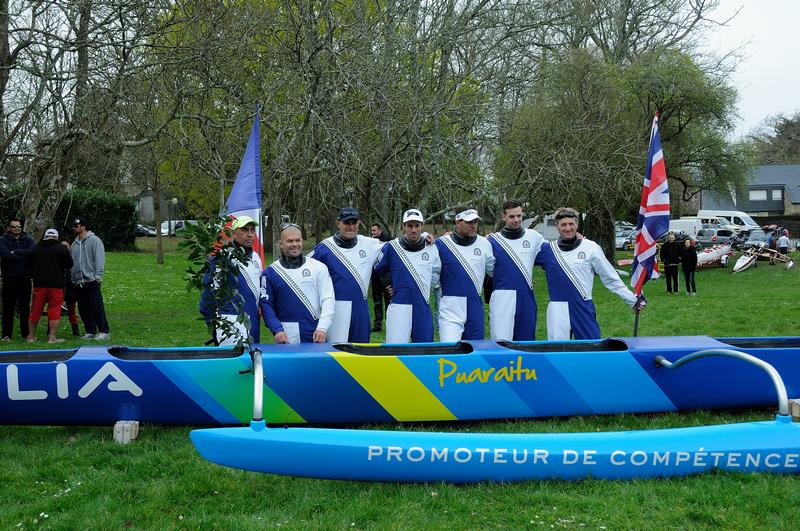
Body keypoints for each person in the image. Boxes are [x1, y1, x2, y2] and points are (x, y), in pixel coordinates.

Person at [535, 208, 640, 340]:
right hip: (557, 309)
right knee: (558, 354)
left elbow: (610, 277)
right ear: (556, 226)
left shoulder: (591, 247)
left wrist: (632, 300)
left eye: (571, 224)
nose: (568, 228)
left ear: (577, 225)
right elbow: (522, 261)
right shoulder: (547, 250)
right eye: (563, 225)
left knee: (591, 349)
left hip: (582, 306)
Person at [309, 207, 385, 342]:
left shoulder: (369, 243)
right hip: (336, 308)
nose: (351, 227)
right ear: (338, 223)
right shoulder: (325, 247)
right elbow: (306, 270)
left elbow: (396, 247)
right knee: (336, 354)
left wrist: (424, 237)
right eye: (346, 223)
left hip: (361, 307)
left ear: (358, 223)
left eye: (354, 223)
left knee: (361, 352)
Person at [374, 209, 441, 343]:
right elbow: (378, 267)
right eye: (409, 226)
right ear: (403, 226)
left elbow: (435, 275)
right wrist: (388, 285)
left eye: (417, 225)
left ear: (422, 226)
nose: (414, 230)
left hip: (422, 306)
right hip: (399, 305)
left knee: (424, 351)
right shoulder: (392, 247)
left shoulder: (431, 247)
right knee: (395, 353)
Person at [260, 224, 335, 344]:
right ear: (281, 244)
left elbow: (328, 299)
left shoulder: (319, 267)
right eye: (289, 241)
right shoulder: (270, 272)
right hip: (285, 334)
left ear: (302, 241)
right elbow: (266, 305)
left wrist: (322, 327)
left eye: (297, 240)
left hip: (315, 332)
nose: (294, 244)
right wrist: (276, 329)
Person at [200, 215, 263, 346]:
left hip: (253, 322)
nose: (250, 234)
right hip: (230, 322)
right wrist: (212, 323)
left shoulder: (256, 258)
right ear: (234, 233)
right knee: (231, 365)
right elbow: (208, 294)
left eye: (252, 230)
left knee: (252, 362)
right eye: (245, 230)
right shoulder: (222, 258)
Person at [487, 199, 545, 341]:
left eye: (519, 216)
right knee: (500, 343)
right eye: (512, 216)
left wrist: (578, 240)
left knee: (526, 341)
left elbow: (556, 253)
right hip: (502, 296)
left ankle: (525, 364)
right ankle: (500, 365)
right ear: (503, 217)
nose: (516, 220)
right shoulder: (491, 241)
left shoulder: (534, 237)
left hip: (526, 296)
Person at [435, 208, 495, 341]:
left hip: (475, 305)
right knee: (450, 350)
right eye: (469, 222)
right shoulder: (441, 244)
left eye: (475, 222)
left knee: (474, 351)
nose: (473, 225)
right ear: (457, 222)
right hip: (450, 306)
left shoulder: (485, 243)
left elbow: (494, 271)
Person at [25, 229, 73, 343]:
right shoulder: (62, 249)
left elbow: (27, 265)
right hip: (56, 285)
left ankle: (31, 336)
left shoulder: (35, 248)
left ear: (45, 237)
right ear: (56, 237)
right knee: (54, 310)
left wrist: (34, 274)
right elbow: (69, 264)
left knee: (35, 311)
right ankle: (52, 337)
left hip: (39, 284)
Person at [70, 217, 111, 340]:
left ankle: (104, 331)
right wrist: (73, 277)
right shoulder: (74, 244)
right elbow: (73, 262)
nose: (74, 228)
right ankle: (90, 330)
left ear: (83, 227)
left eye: (76, 226)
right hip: (79, 281)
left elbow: (99, 259)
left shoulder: (94, 240)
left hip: (92, 280)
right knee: (83, 308)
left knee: (96, 305)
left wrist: (98, 276)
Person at [0, 218, 35, 340]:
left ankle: (26, 333)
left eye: (19, 226)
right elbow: (5, 255)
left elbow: (33, 253)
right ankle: (6, 334)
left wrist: (15, 252)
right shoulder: (2, 240)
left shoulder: (28, 240)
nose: (17, 229)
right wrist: (23, 256)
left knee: (25, 307)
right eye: (14, 227)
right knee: (8, 307)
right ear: (8, 228)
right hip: (9, 278)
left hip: (24, 278)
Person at [369, 222, 392, 332]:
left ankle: (390, 322)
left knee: (388, 299)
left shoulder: (388, 240)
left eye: (374, 230)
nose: (372, 233)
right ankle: (378, 323)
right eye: (371, 231)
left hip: (386, 275)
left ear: (380, 230)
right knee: (376, 298)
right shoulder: (369, 242)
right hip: (375, 274)